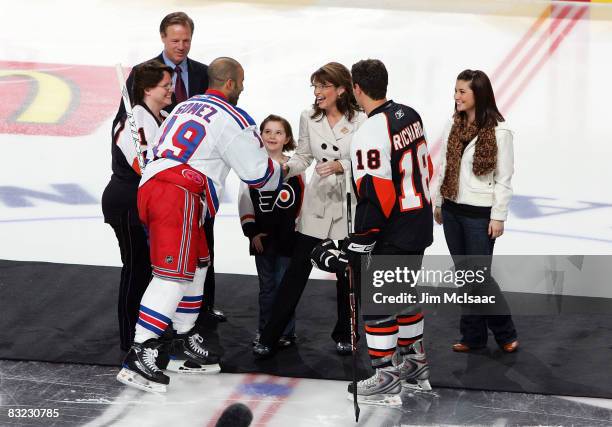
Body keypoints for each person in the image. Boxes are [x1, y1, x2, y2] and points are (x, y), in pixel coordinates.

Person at [116, 57, 282, 393]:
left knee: (198, 265)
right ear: (232, 83)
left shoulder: (185, 105)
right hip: (178, 192)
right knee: (172, 275)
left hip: (160, 187)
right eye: (242, 82)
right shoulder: (234, 117)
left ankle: (181, 341)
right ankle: (141, 351)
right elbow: (259, 177)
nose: (244, 88)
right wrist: (284, 168)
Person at [311, 59, 434, 405]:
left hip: (392, 230)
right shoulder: (409, 114)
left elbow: (377, 192)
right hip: (418, 222)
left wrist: (360, 240)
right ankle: (415, 362)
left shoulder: (370, 130)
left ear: (356, 89)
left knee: (379, 302)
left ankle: (386, 374)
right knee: (404, 295)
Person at [115, 12, 225, 322]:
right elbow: (124, 128)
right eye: (175, 40)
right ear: (163, 38)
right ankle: (146, 331)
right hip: (163, 189)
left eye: (186, 40)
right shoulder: (144, 75)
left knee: (203, 248)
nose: (181, 46)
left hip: (195, 180)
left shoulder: (204, 74)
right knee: (157, 262)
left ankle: (200, 309)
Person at [253, 62, 366, 358]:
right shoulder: (308, 117)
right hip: (317, 204)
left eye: (322, 86)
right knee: (295, 274)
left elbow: (370, 161)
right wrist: (285, 169)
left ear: (341, 89)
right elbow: (303, 155)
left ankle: (346, 333)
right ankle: (270, 335)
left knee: (348, 274)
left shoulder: (362, 119)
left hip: (347, 205)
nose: (316, 92)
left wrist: (342, 165)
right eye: (314, 86)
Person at [433, 69, 518, 353]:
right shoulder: (453, 125)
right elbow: (444, 166)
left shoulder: (500, 131)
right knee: (464, 276)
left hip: (480, 213)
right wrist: (438, 201)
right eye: (455, 91)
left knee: (479, 277)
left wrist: (498, 216)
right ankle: (473, 336)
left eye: (462, 92)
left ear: (478, 94)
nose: (456, 97)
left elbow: (504, 178)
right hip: (453, 208)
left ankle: (505, 332)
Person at [102, 60, 174, 351]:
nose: (171, 90)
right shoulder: (133, 121)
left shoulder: (164, 116)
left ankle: (148, 329)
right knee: (137, 268)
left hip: (151, 204)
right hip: (128, 204)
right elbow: (143, 167)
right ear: (147, 89)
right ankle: (130, 337)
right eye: (165, 86)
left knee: (151, 270)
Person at [238, 115, 304, 347]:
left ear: (287, 138)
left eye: (278, 132)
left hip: (288, 238)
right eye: (267, 131)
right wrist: (252, 232)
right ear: (261, 136)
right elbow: (244, 201)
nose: (273, 136)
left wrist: (297, 230)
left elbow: (302, 201)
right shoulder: (252, 167)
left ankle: (286, 331)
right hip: (262, 238)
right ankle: (265, 330)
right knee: (267, 288)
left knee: (285, 286)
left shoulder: (296, 167)